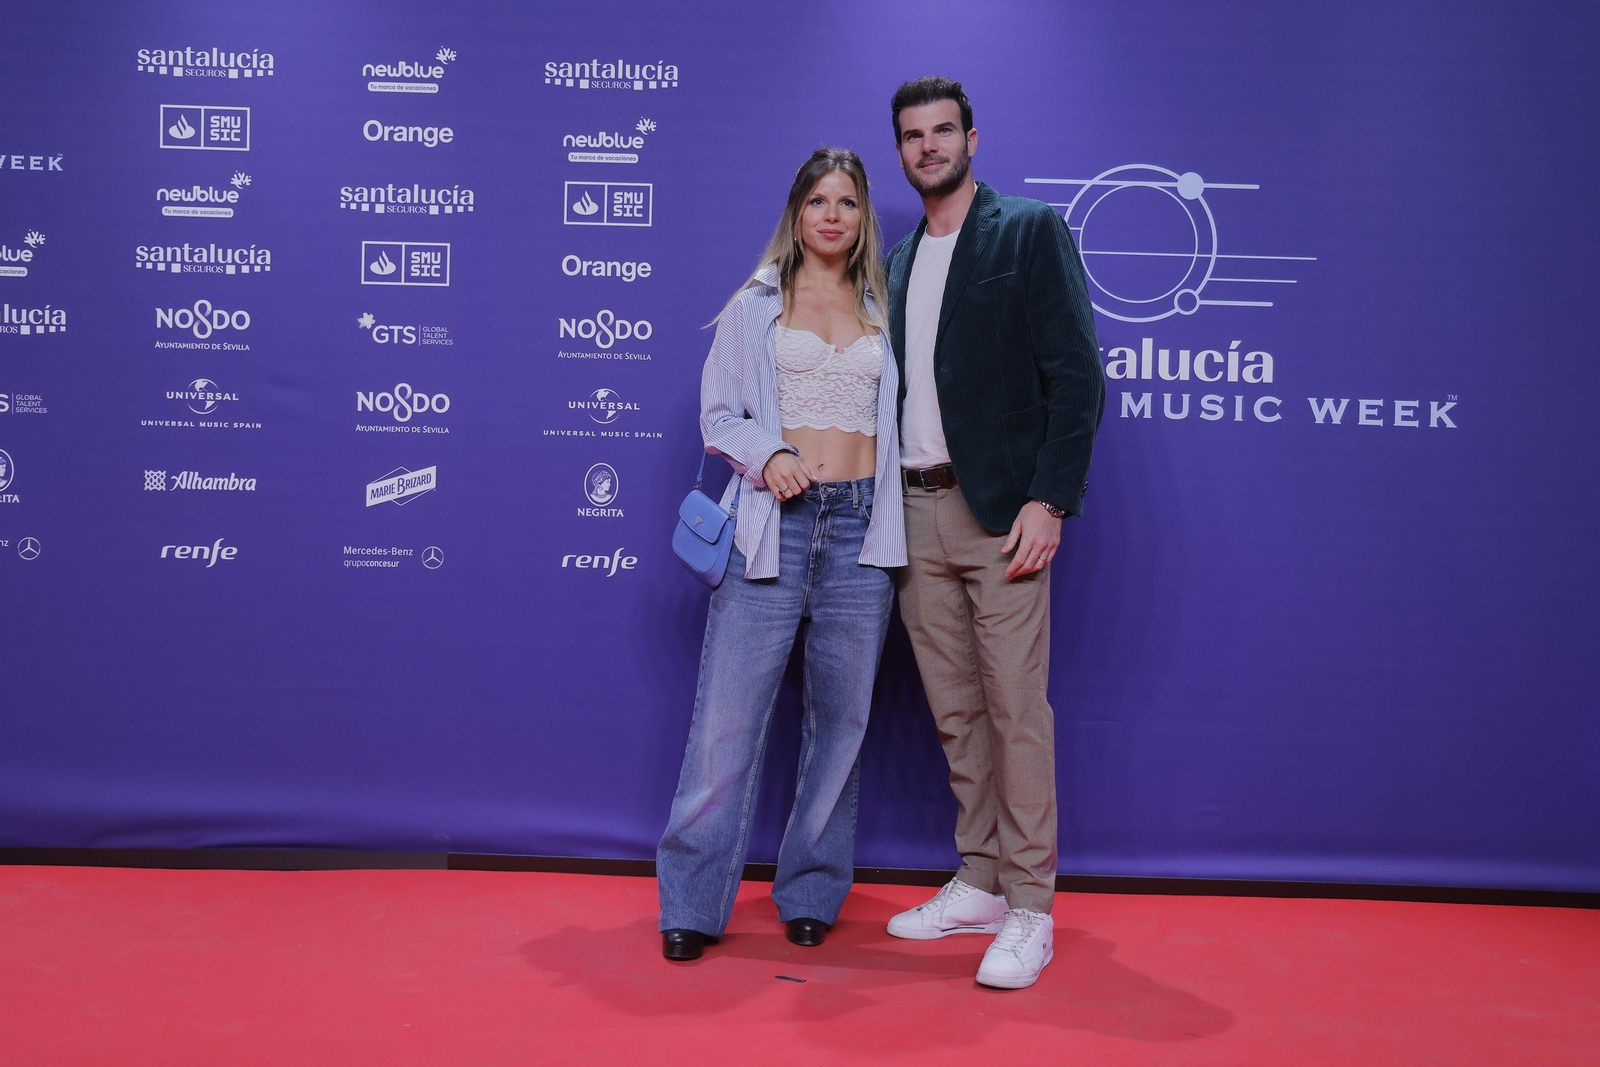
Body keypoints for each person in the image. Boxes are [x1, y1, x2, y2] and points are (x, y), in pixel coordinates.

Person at [880, 77, 1105, 989]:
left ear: (972, 138)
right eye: (911, 136)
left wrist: (1051, 499)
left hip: (1004, 512)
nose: (927, 147)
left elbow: (1077, 375)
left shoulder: (1027, 231)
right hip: (913, 507)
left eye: (942, 132)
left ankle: (1029, 906)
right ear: (900, 151)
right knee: (954, 706)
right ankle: (977, 878)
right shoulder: (893, 260)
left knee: (1016, 707)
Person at [656, 148, 906, 962]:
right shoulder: (756, 304)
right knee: (724, 730)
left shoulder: (885, 307)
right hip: (776, 525)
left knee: (841, 724)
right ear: (796, 213)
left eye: (848, 202)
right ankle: (692, 903)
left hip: (862, 537)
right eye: (817, 200)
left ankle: (811, 892)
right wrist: (768, 455)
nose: (832, 215)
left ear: (864, 218)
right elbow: (719, 414)